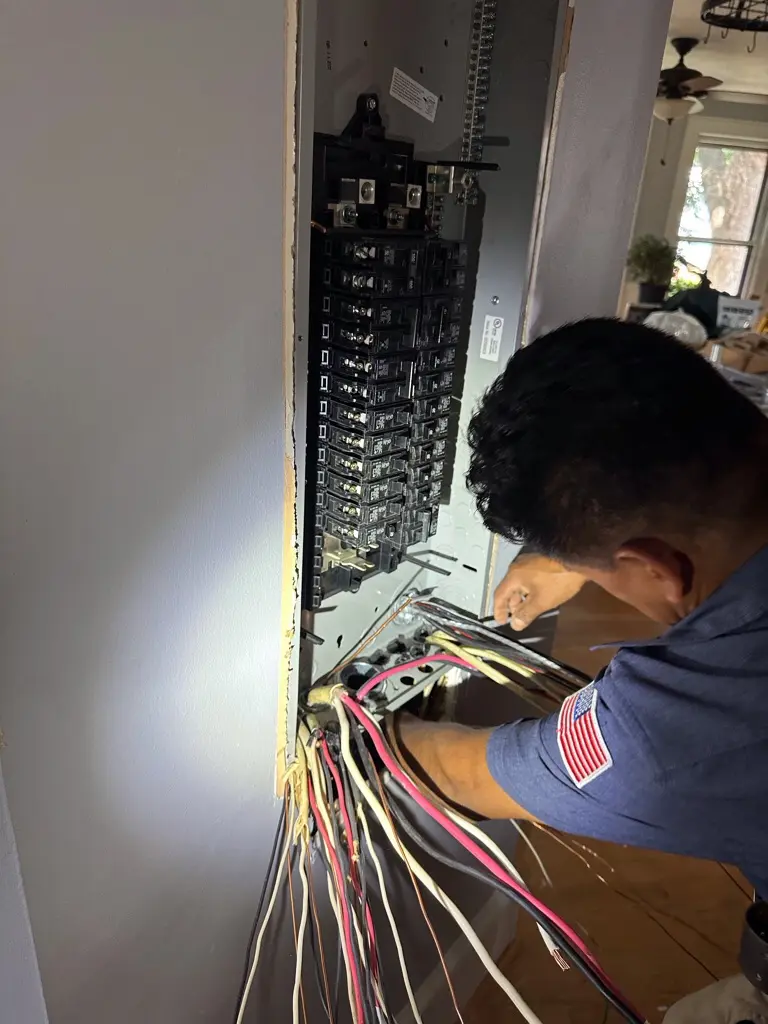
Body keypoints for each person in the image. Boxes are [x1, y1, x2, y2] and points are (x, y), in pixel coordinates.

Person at [394, 317, 768, 901]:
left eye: (605, 574)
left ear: (658, 570)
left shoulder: (675, 728)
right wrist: (573, 557)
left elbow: (459, 775)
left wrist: (366, 728)